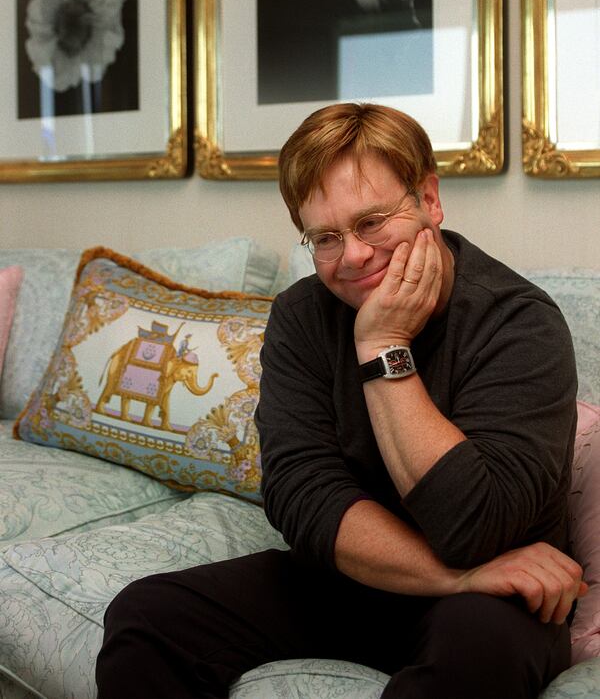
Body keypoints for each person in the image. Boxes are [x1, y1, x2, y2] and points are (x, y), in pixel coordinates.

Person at [96, 102, 585, 699]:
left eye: (373, 221)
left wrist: (383, 345)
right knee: (145, 616)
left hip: (504, 591)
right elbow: (301, 495)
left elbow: (477, 528)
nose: (353, 255)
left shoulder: (518, 323)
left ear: (429, 199)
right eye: (326, 237)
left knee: (475, 657)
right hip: (358, 574)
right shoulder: (301, 315)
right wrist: (453, 579)